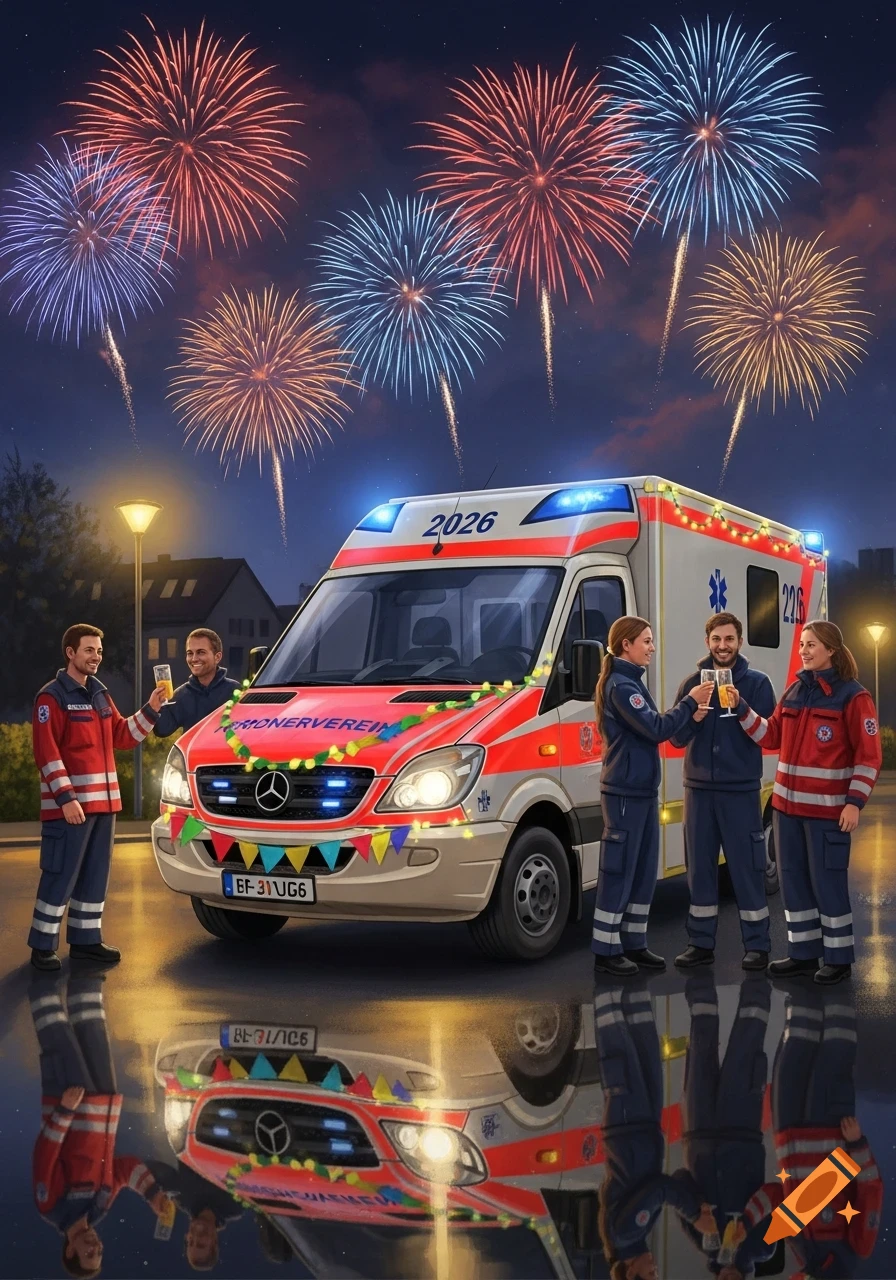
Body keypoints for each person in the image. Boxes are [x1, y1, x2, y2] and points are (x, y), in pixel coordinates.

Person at [730, 620, 881, 985]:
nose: (804, 651)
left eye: (811, 645)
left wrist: (853, 804)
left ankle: (838, 958)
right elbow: (770, 736)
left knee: (827, 884)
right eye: (802, 645)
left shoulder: (854, 697)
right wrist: (741, 708)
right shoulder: (795, 691)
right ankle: (802, 953)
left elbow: (869, 757)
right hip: (786, 811)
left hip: (828, 814)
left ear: (831, 649)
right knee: (793, 882)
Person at [29, 624, 163, 972]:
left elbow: (122, 735)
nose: (96, 657)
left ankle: (86, 942)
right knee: (60, 874)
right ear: (70, 653)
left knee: (94, 876)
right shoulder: (52, 697)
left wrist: (150, 708)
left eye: (99, 651)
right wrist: (66, 799)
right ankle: (42, 945)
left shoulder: (101, 694)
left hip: (105, 807)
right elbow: (46, 753)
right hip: (71, 809)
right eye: (89, 650)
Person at [592, 615, 714, 976]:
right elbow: (656, 728)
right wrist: (690, 703)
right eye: (646, 641)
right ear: (626, 644)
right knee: (620, 870)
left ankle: (634, 943)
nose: (652, 648)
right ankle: (606, 950)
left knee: (643, 870)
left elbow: (657, 726)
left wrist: (691, 718)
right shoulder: (622, 686)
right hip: (625, 792)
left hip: (640, 791)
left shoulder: (630, 682)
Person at [29, 971, 172, 1276]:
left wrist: (64, 1111)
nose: (96, 1247)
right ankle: (86, 971)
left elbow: (44, 1155)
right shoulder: (101, 1206)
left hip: (73, 1099)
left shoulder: (52, 1207)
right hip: (105, 1100)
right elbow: (123, 1169)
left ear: (70, 1251)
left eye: (88, 1254)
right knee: (92, 1024)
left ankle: (41, 974)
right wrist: (152, 1195)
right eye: (99, 1254)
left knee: (56, 1029)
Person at [741, 984, 881, 1277]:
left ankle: (802, 977)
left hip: (789, 1133)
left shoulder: (805, 1252)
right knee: (835, 1046)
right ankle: (837, 975)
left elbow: (781, 1196)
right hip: (830, 1133)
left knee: (793, 1046)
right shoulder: (852, 1253)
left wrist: (747, 1220)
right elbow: (871, 1189)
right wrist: (857, 1146)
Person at [671, 613, 777, 972]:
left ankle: (758, 946)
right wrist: (693, 715)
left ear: (740, 642)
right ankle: (700, 944)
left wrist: (741, 705)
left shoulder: (758, 684)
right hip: (699, 791)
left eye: (729, 639)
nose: (723, 646)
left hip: (741, 791)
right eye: (716, 639)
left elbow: (769, 736)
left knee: (747, 869)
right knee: (699, 870)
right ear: (707, 642)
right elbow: (676, 738)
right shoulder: (691, 683)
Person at [594, 978, 717, 1279]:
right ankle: (634, 978)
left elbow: (660, 1189)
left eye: (650, 1275)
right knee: (645, 1043)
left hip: (628, 1126)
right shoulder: (635, 1234)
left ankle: (607, 973)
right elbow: (670, 1182)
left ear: (632, 1272)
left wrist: (692, 1215)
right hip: (642, 1126)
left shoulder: (625, 1234)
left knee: (618, 1044)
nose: (655, 1268)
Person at [674, 973, 779, 1278]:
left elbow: (680, 1178)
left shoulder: (702, 1242)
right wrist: (747, 1223)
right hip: (741, 1127)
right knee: (748, 1039)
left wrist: (696, 1215)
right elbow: (776, 1193)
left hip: (699, 1127)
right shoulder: (763, 1246)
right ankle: (758, 972)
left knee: (700, 1037)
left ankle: (700, 970)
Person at [153, 629, 240, 738]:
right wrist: (159, 705)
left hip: (226, 754)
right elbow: (163, 730)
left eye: (201, 652)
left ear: (217, 657)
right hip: (194, 755)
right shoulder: (181, 695)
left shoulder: (236, 691)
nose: (194, 659)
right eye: (190, 653)